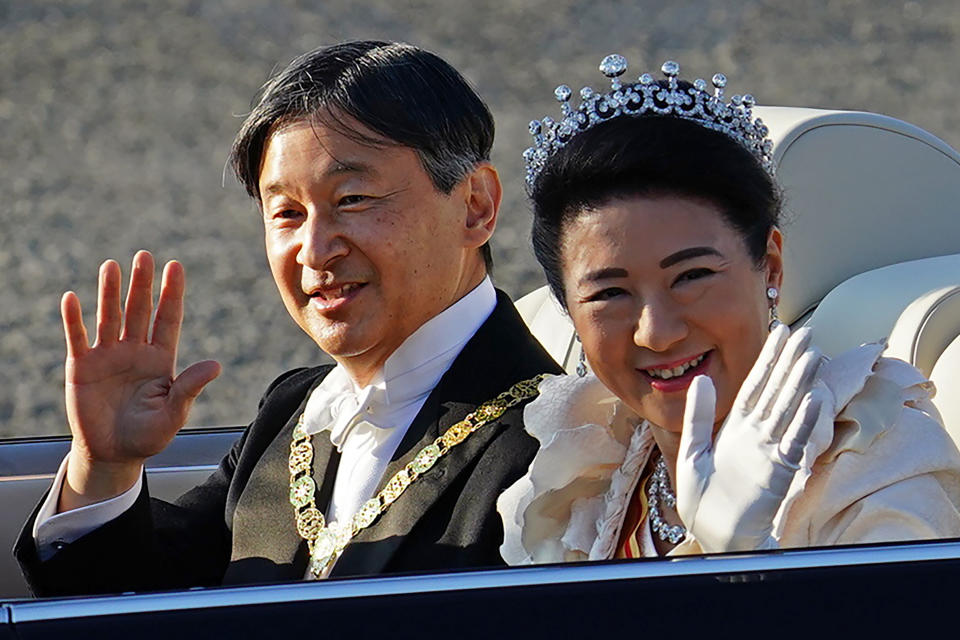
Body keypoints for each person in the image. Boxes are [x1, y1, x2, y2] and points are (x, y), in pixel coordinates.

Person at [15, 40, 561, 596]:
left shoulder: (558, 439)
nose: (314, 250)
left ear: (475, 205)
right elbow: (141, 599)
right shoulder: (291, 411)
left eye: (353, 199)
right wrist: (104, 465)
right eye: (287, 214)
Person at [498, 55, 960, 563]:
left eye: (692, 277)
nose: (658, 333)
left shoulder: (876, 458)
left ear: (772, 266)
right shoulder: (582, 472)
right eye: (610, 294)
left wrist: (745, 558)